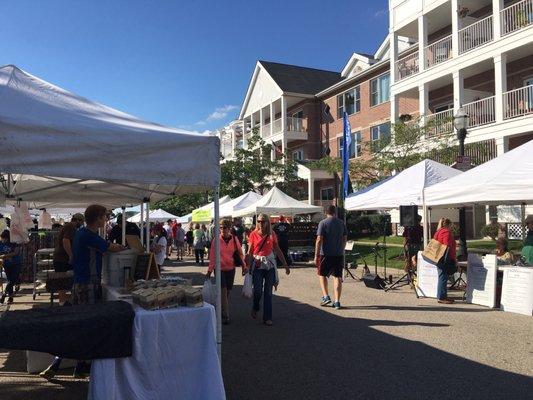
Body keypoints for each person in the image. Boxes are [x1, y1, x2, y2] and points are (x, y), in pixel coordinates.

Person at [40, 205, 124, 380]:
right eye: (104, 217)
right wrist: (125, 247)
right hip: (88, 285)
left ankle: (65, 366)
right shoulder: (89, 235)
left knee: (77, 325)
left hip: (80, 283)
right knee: (87, 326)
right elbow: (111, 248)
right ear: (98, 219)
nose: (106, 220)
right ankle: (78, 366)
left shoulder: (81, 233)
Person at [246, 214, 289, 326]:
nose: (261, 223)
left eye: (263, 221)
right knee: (258, 291)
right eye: (259, 221)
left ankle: (267, 317)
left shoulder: (272, 234)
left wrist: (285, 265)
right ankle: (255, 307)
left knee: (268, 293)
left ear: (267, 222)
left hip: (269, 266)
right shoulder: (253, 234)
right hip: (258, 265)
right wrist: (247, 266)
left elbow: (278, 250)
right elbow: (250, 252)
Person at [206, 219, 247, 324]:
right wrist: (209, 270)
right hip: (219, 269)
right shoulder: (216, 240)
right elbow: (212, 256)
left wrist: (244, 266)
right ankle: (226, 316)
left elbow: (240, 253)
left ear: (229, 228)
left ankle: (221, 308)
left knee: (227, 292)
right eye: (220, 228)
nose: (222, 230)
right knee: (223, 291)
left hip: (230, 268)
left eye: (224, 228)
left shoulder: (234, 239)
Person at [314, 205, 347, 310]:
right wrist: (341, 248)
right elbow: (344, 238)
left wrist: (316, 255)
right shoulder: (342, 223)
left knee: (321, 274)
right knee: (337, 277)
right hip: (338, 254)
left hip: (325, 254)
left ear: (325, 212)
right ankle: (337, 302)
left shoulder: (323, 223)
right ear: (335, 212)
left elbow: (319, 239)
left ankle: (326, 296)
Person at [53, 213, 85, 305]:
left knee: (62, 281)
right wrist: (71, 255)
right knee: (64, 281)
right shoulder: (71, 226)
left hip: (60, 258)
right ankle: (63, 303)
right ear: (78, 220)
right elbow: (65, 240)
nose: (82, 224)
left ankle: (63, 302)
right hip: (62, 259)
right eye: (82, 222)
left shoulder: (68, 226)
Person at [433, 218, 456, 304]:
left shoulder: (438, 231)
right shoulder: (446, 232)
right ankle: (441, 297)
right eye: (451, 225)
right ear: (448, 224)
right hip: (445, 258)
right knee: (443, 277)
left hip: (438, 257)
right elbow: (447, 245)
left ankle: (443, 295)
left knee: (442, 276)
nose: (451, 227)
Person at [0, 230, 22, 304]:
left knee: (13, 279)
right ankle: (10, 297)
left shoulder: (14, 242)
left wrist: (5, 256)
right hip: (6, 264)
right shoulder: (1, 243)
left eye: (4, 238)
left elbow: (16, 252)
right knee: (10, 280)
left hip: (16, 264)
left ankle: (4, 294)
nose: (3, 240)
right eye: (2, 238)